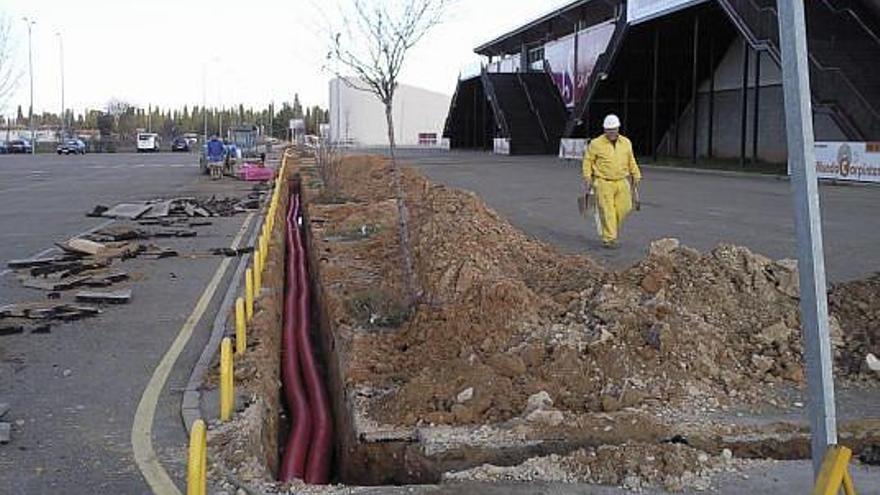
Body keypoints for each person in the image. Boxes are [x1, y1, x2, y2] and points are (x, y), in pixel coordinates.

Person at [582, 114, 642, 249]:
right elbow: (587, 161)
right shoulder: (596, 144)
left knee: (625, 207)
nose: (612, 132)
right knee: (607, 210)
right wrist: (587, 177)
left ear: (618, 129)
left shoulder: (626, 142)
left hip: (622, 181)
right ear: (604, 130)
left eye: (614, 129)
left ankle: (609, 229)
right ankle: (609, 239)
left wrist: (636, 174)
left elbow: (631, 160)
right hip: (603, 182)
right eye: (609, 130)